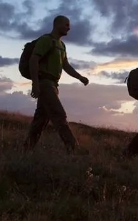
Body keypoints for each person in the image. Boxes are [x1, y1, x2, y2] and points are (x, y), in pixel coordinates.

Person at [24, 15, 89, 153]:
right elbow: (33, 60)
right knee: (59, 115)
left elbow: (66, 65)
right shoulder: (46, 40)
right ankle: (74, 149)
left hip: (53, 84)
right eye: (66, 25)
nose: (69, 28)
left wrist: (80, 77)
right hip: (45, 84)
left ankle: (26, 150)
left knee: (40, 120)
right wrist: (35, 83)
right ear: (57, 24)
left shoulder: (62, 45)